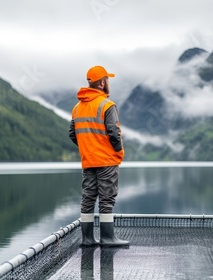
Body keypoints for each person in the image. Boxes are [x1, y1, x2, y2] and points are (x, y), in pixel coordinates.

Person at [69, 65, 129, 247]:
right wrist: (118, 151)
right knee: (106, 198)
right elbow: (113, 132)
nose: (108, 83)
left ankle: (87, 239)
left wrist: (88, 147)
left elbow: (73, 134)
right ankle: (107, 238)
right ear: (102, 83)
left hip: (88, 161)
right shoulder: (107, 105)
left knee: (88, 198)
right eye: (107, 80)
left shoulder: (77, 107)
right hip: (106, 160)